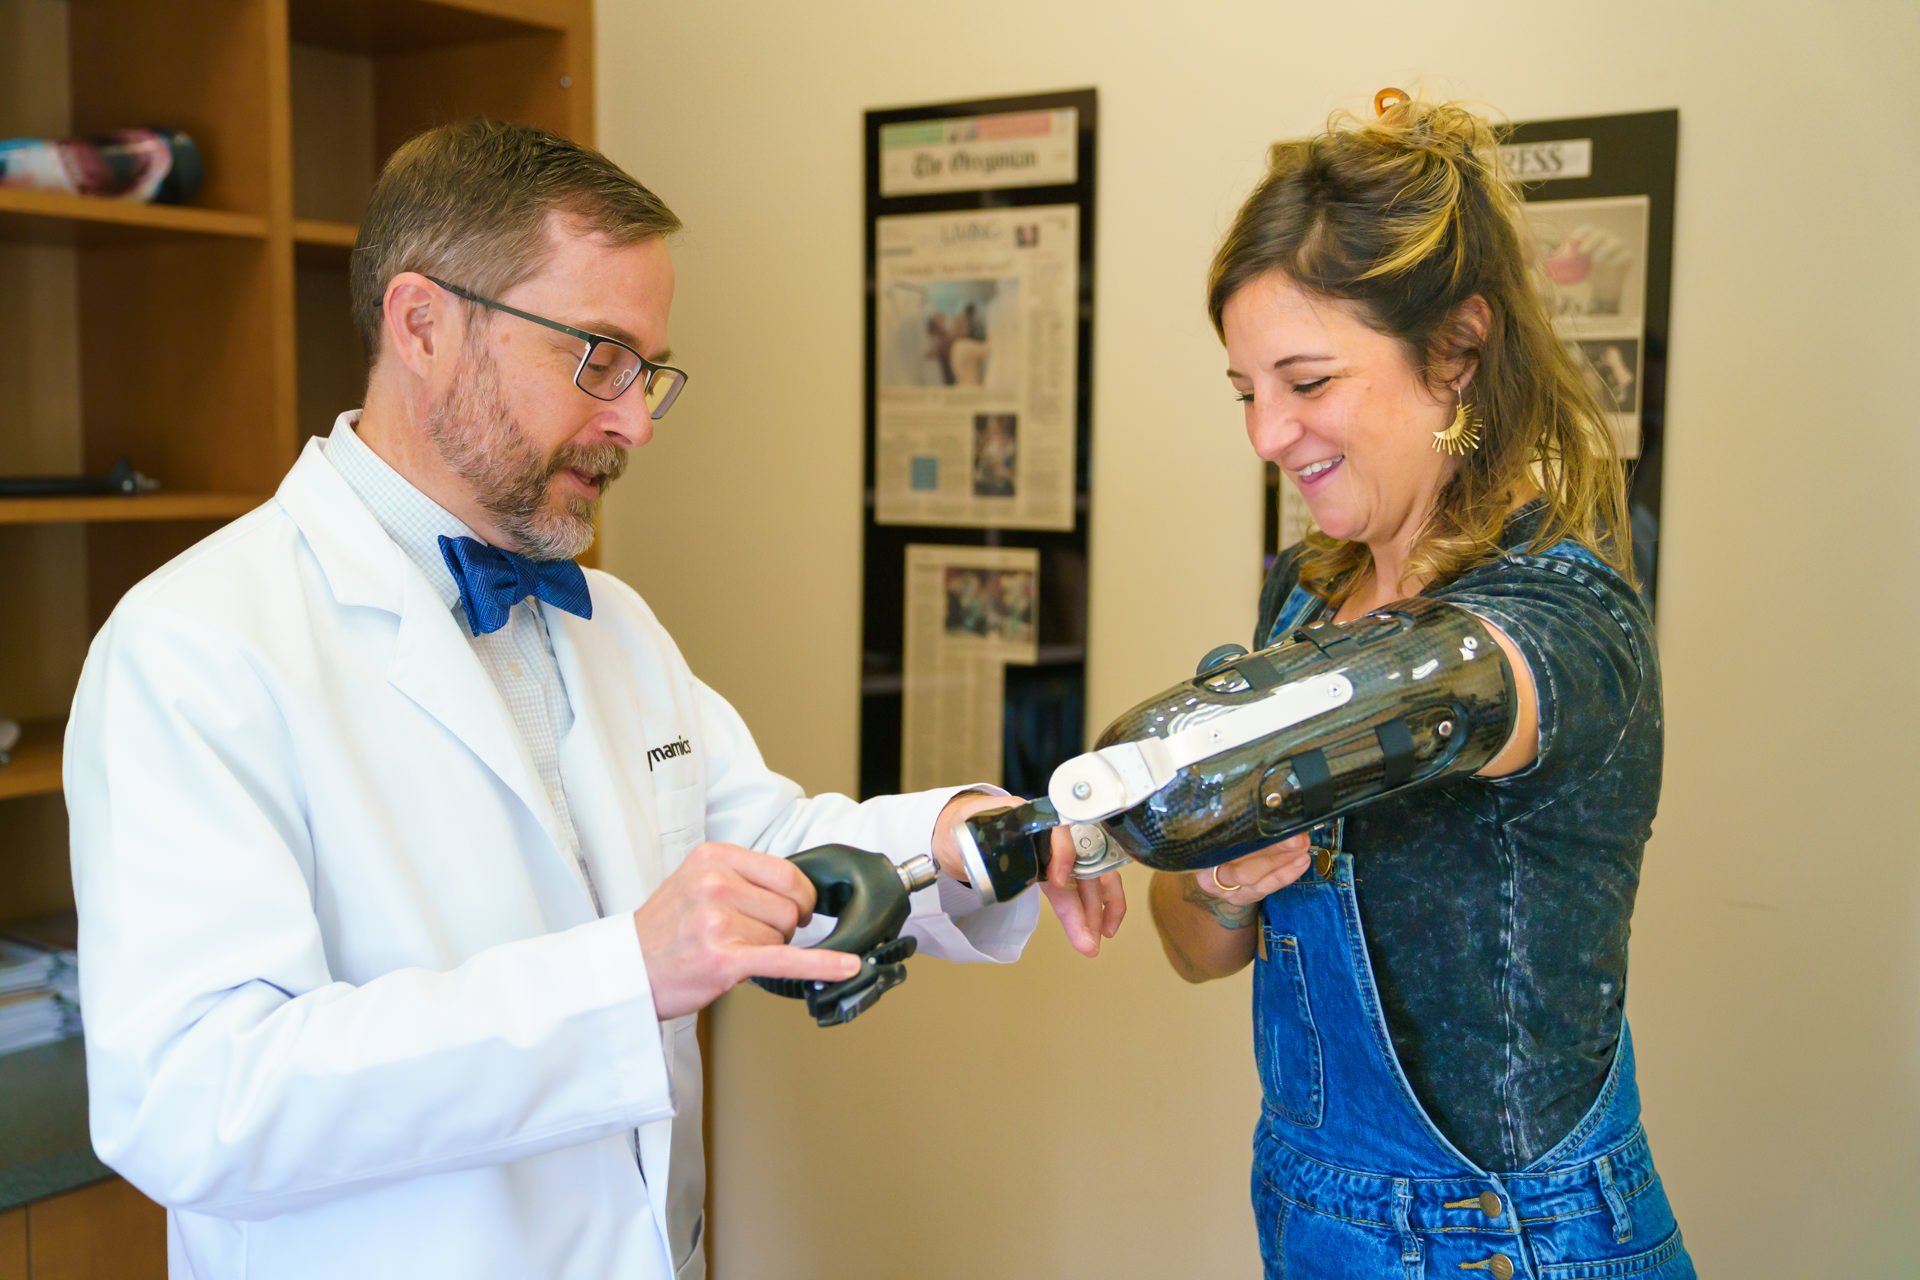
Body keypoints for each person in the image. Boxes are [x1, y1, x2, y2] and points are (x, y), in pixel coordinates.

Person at [64, 119, 1124, 1280]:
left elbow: (758, 851)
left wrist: (953, 836)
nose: (633, 421)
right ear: (423, 324)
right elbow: (195, 1097)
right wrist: (621, 978)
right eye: (597, 357)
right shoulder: (196, 647)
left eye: (647, 372)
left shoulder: (610, 621)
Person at [1147, 92, 1693, 1278]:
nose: (1267, 434)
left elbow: (1429, 687)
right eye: (1246, 389)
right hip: (1311, 1215)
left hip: (1503, 1240)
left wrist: (1147, 776)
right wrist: (1222, 879)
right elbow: (1196, 946)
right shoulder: (1299, 594)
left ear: (1455, 352)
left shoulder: (1562, 617)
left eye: (1306, 380)